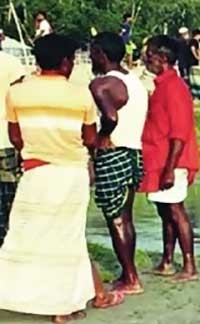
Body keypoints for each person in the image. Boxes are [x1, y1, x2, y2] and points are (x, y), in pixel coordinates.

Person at [0, 34, 125, 323]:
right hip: (70, 174)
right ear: (66, 62)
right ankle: (62, 307)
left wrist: (37, 146)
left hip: (34, 172)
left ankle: (89, 294)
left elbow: (16, 137)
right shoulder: (80, 95)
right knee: (68, 237)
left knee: (25, 234)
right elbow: (90, 139)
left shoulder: (16, 93)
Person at [88, 32, 148, 295]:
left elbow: (110, 117)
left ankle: (131, 277)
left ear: (101, 54)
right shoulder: (134, 81)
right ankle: (128, 273)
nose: (91, 58)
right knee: (125, 216)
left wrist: (102, 136)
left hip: (114, 152)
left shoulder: (102, 84)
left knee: (116, 218)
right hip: (134, 152)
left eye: (92, 52)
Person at [140, 35, 200, 283]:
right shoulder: (163, 86)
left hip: (172, 160)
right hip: (160, 158)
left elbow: (179, 133)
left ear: (163, 58)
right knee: (165, 211)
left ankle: (189, 265)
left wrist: (170, 169)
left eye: (150, 55)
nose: (146, 60)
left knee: (176, 210)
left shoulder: (174, 88)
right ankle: (167, 261)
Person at [0, 38, 25, 247]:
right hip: (5, 136)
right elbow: (19, 99)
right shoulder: (11, 63)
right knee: (8, 192)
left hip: (6, 135)